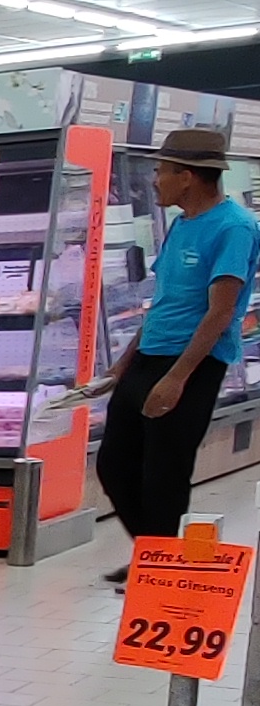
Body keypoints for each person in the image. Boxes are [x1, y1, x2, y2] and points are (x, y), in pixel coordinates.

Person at [95, 126, 257, 579]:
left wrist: (177, 378)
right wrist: (123, 363)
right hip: (150, 356)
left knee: (164, 473)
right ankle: (155, 555)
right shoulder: (181, 224)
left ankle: (157, 570)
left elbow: (220, 311)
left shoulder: (234, 227)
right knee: (114, 464)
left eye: (161, 171)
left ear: (186, 176)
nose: (154, 181)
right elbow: (164, 301)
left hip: (194, 362)